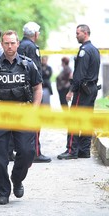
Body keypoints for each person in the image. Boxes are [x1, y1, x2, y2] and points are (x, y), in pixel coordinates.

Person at [0, 30, 43, 205]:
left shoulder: (28, 65)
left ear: (18, 44)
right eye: (6, 43)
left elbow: (38, 88)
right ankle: (3, 192)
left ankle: (17, 179)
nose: (10, 46)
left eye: (12, 43)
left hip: (23, 113)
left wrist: (34, 109)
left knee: (27, 152)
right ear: (2, 44)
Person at [57, 24, 100, 160]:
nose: (76, 36)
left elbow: (79, 75)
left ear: (85, 33)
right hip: (92, 89)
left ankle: (71, 150)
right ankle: (84, 150)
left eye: (78, 33)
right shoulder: (94, 50)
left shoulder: (84, 50)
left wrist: (71, 91)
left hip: (83, 90)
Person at [17, 21, 51, 163]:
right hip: (31, 91)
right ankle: (35, 153)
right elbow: (35, 70)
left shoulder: (19, 46)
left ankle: (18, 151)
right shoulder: (32, 47)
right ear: (35, 34)